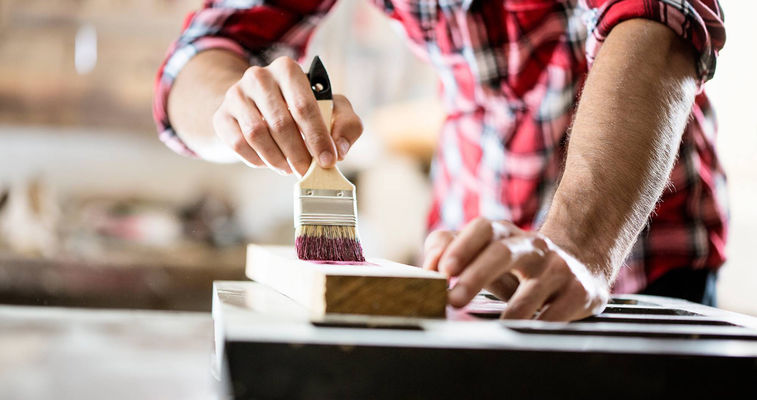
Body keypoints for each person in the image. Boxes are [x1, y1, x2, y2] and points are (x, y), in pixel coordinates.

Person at [154, 1, 726, 321]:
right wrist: (238, 109)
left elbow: (659, 15)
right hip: (464, 247)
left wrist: (580, 247)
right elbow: (200, 56)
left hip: (638, 241)